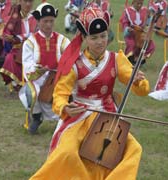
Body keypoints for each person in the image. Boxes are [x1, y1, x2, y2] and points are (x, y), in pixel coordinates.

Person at [29, 6, 150, 180]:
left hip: (107, 117)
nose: (100, 41)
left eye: (103, 36)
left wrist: (139, 81)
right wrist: (65, 107)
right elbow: (60, 94)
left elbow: (141, 90)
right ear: (84, 38)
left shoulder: (116, 59)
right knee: (68, 153)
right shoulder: (75, 64)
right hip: (79, 116)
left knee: (134, 149)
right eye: (94, 38)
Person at [20, 2, 70, 134]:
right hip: (38, 78)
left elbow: (72, 58)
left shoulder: (62, 40)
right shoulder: (30, 42)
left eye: (51, 21)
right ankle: (36, 117)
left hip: (57, 78)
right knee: (31, 93)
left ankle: (66, 120)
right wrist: (37, 69)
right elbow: (27, 64)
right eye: (45, 21)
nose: (48, 24)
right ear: (38, 21)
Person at [0, 0, 37, 90]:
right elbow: (6, 33)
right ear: (20, 2)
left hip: (34, 49)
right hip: (18, 49)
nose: (28, 4)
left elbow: (38, 34)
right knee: (10, 58)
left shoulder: (36, 17)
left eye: (30, 1)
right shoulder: (14, 17)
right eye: (25, 1)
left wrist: (20, 37)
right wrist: (10, 38)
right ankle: (17, 84)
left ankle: (31, 84)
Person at [120, 0, 155, 65]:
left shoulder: (145, 11)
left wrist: (149, 18)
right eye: (138, 3)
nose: (139, 5)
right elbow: (124, 23)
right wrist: (128, 29)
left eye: (141, 4)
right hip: (131, 35)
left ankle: (140, 59)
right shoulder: (127, 11)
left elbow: (148, 23)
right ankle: (130, 60)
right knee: (132, 44)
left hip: (141, 35)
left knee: (150, 44)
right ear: (133, 3)